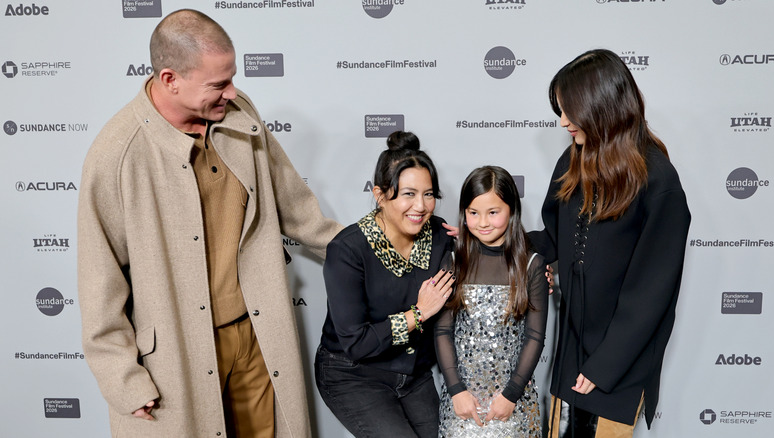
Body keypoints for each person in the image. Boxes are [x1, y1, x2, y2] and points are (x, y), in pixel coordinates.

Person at [77, 9, 341, 438]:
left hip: (255, 336)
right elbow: (98, 281)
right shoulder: (116, 156)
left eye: (232, 77)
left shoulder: (239, 114)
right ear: (170, 79)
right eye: (218, 84)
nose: (232, 91)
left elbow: (299, 211)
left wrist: (383, 248)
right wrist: (122, 378)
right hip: (175, 356)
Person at [528, 49, 691, 438]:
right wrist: (492, 240)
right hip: (571, 350)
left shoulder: (658, 180)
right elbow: (553, 238)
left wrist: (604, 367)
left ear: (602, 107)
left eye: (570, 111)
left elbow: (652, 292)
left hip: (619, 364)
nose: (563, 122)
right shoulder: (574, 161)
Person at [315, 131, 455, 438]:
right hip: (353, 374)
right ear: (380, 194)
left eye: (429, 194)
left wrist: (532, 272)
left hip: (414, 373)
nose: (421, 206)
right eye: (408, 194)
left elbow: (487, 255)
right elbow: (356, 342)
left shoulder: (440, 236)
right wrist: (419, 313)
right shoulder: (348, 250)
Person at [436, 165, 549, 438]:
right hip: (462, 405)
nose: (483, 222)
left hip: (514, 403)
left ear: (511, 211)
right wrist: (456, 390)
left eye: (493, 212)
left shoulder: (531, 265)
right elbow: (442, 331)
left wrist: (511, 394)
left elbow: (534, 336)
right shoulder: (454, 260)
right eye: (473, 213)